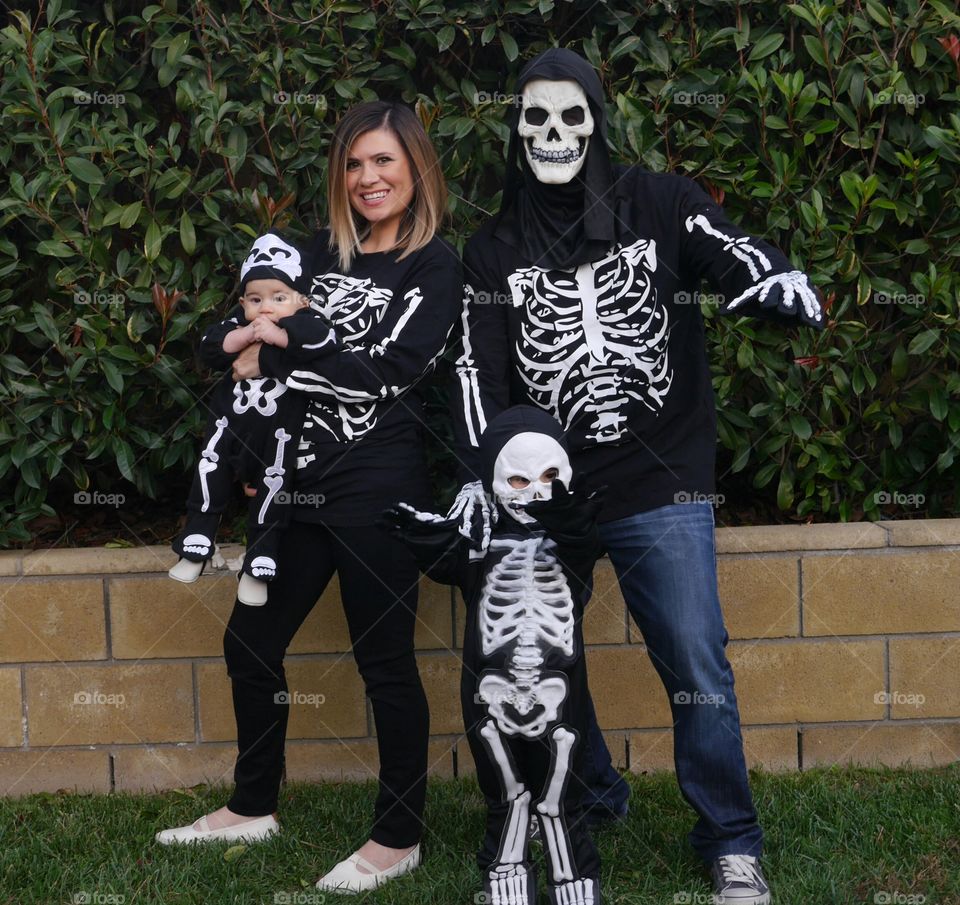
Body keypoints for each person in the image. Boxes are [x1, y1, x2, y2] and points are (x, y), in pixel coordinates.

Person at [450, 48, 825, 905]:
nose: (554, 134)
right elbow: (480, 378)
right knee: (532, 658)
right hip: (548, 494)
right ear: (515, 129)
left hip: (662, 482)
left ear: (598, 120)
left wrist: (767, 277)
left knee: (695, 653)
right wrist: (492, 479)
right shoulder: (494, 249)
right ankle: (589, 797)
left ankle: (731, 838)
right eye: (535, 117)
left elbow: (727, 250)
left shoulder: (658, 202)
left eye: (571, 115)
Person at [157, 100, 463, 896]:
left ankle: (398, 834)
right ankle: (254, 804)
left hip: (378, 491)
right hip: (294, 491)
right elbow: (226, 337)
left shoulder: (435, 267)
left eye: (385, 162)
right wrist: (246, 371)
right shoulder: (312, 253)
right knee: (249, 645)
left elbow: (392, 377)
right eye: (355, 164)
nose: (368, 178)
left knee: (384, 663)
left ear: (416, 168)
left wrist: (281, 353)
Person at [383, 405, 604, 905]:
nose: (538, 493)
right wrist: (429, 543)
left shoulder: (572, 542)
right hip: (489, 685)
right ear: (493, 482)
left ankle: (574, 870)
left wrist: (572, 526)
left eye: (552, 476)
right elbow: (450, 565)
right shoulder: (480, 545)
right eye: (520, 481)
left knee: (562, 784)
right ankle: (504, 862)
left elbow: (583, 546)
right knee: (503, 786)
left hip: (559, 686)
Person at [168, 231, 332, 606]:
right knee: (210, 468)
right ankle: (198, 539)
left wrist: (276, 336)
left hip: (278, 439)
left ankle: (260, 558)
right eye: (255, 300)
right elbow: (210, 347)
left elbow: (322, 344)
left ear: (302, 300)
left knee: (274, 491)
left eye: (279, 298)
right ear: (242, 302)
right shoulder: (237, 326)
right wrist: (244, 334)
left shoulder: (304, 325)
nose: (266, 308)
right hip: (229, 429)